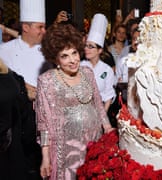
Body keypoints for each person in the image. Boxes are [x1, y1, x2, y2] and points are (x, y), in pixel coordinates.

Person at [36, 23, 114, 180]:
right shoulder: (47, 81)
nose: (72, 60)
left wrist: (108, 129)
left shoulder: (87, 72)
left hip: (94, 141)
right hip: (66, 148)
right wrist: (45, 157)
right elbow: (43, 123)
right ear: (55, 58)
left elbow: (98, 105)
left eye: (74, 53)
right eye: (65, 56)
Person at [0, 1, 50, 179]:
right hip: (12, 124)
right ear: (26, 27)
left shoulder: (48, 53)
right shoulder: (4, 50)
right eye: (40, 27)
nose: (44, 31)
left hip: (40, 120)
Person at [81, 13, 116, 112]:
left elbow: (109, 95)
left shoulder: (107, 70)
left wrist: (102, 118)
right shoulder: (79, 66)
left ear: (99, 50)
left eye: (91, 46)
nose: (86, 49)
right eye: (86, 45)